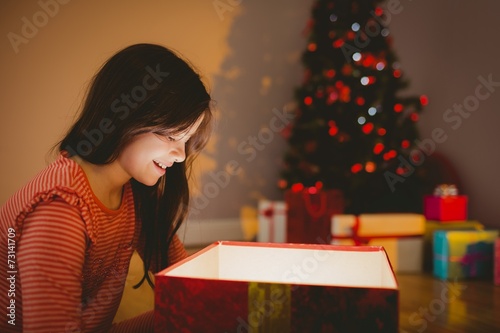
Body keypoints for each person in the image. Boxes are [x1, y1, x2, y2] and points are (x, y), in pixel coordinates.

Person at [0, 43, 213, 332]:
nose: (181, 155)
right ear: (126, 118)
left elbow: (188, 282)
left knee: (192, 313)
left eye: (186, 140)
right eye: (173, 136)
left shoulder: (136, 191)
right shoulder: (60, 208)